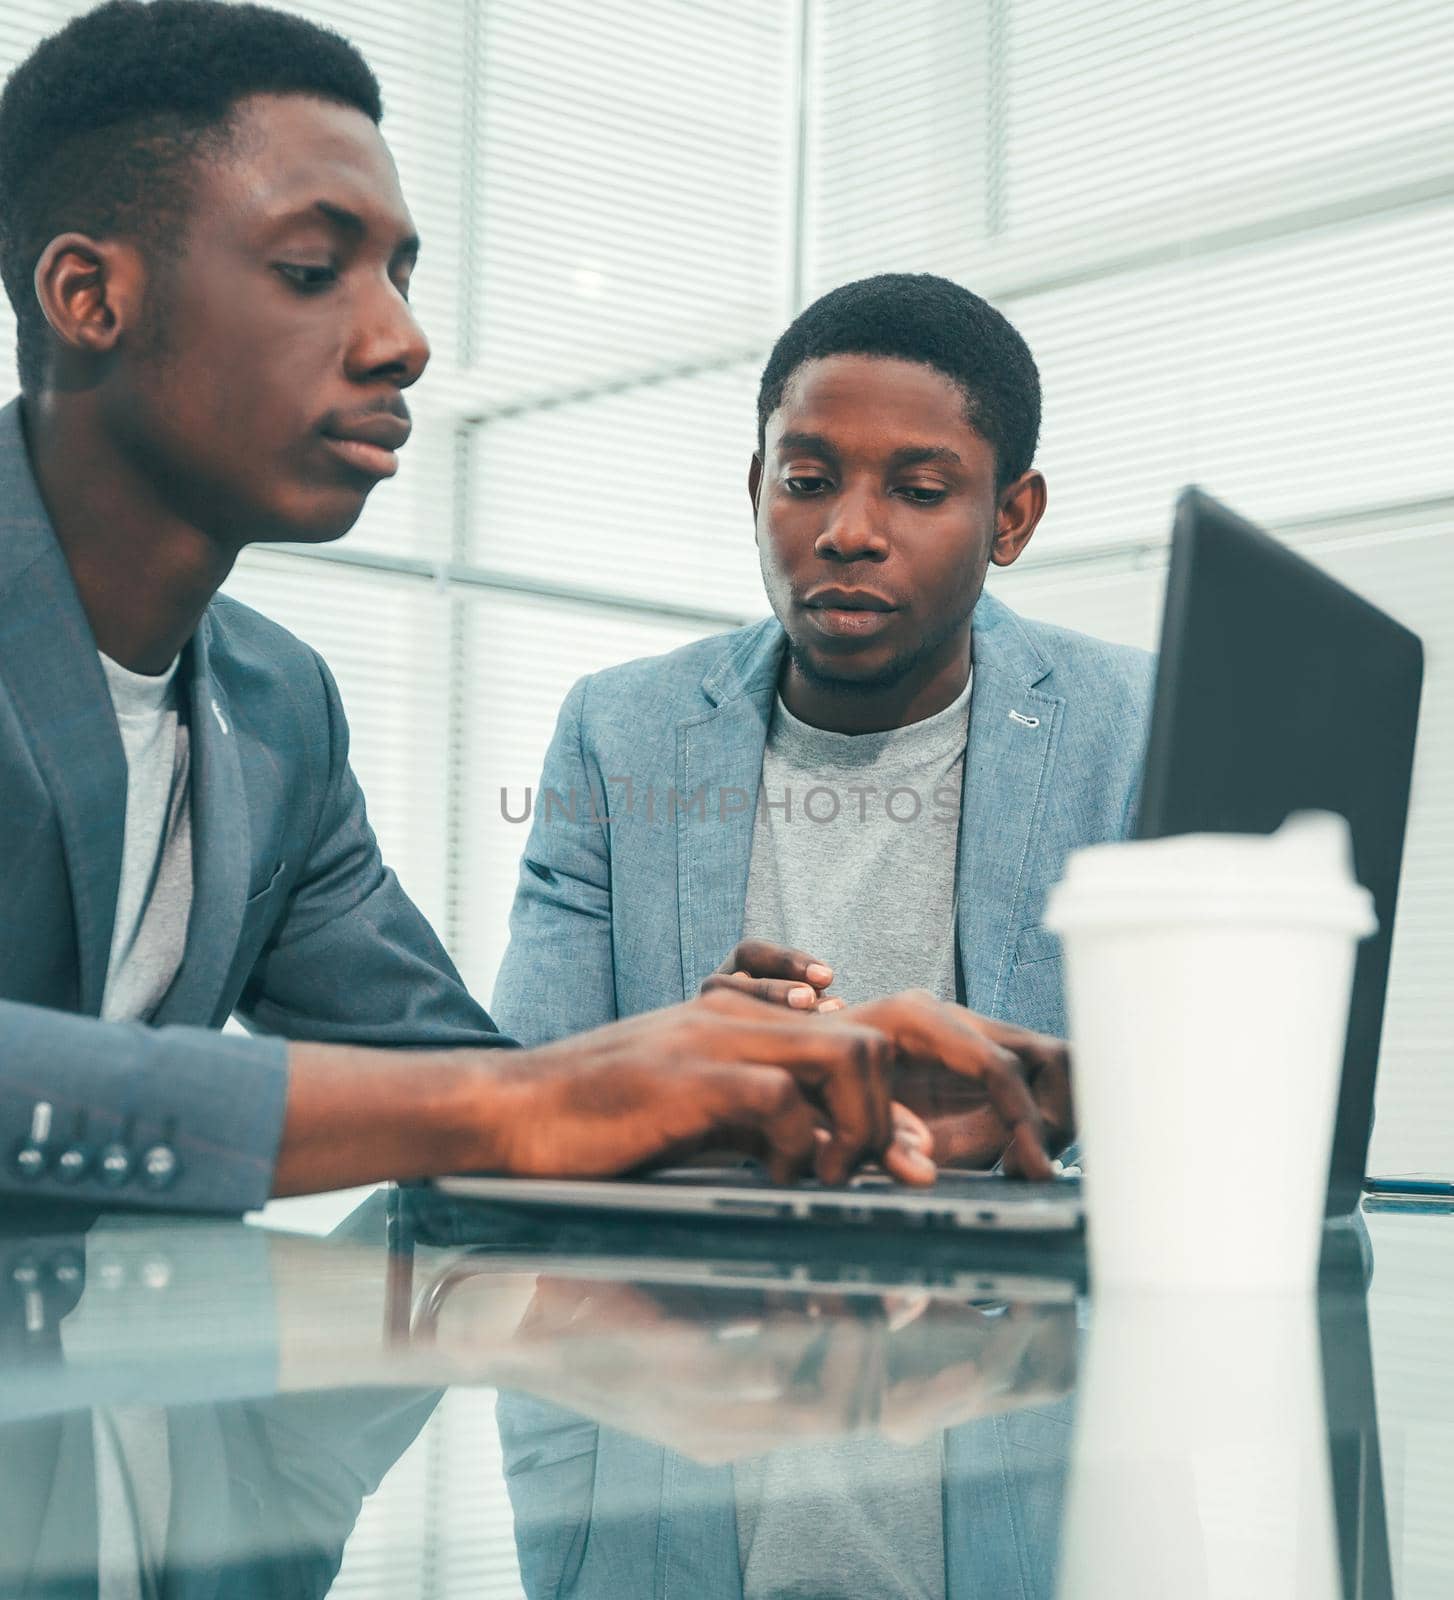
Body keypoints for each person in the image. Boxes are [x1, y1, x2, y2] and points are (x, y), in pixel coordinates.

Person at [0, 2, 1056, 1214]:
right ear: (89, 295)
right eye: (310, 271)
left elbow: (464, 1085)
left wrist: (755, 1087)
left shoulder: (277, 706)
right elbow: (496, 1107)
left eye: (399, 276)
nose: (403, 339)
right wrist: (548, 1096)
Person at [490, 273, 1154, 1599]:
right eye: (806, 479)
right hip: (676, 1426)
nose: (849, 532)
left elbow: (1228, 1107)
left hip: (1006, 1422)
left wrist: (1067, 1102)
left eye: (918, 489)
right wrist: (703, 1077)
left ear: (1009, 517)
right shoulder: (619, 732)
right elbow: (507, 1110)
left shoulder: (1129, 727)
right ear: (754, 490)